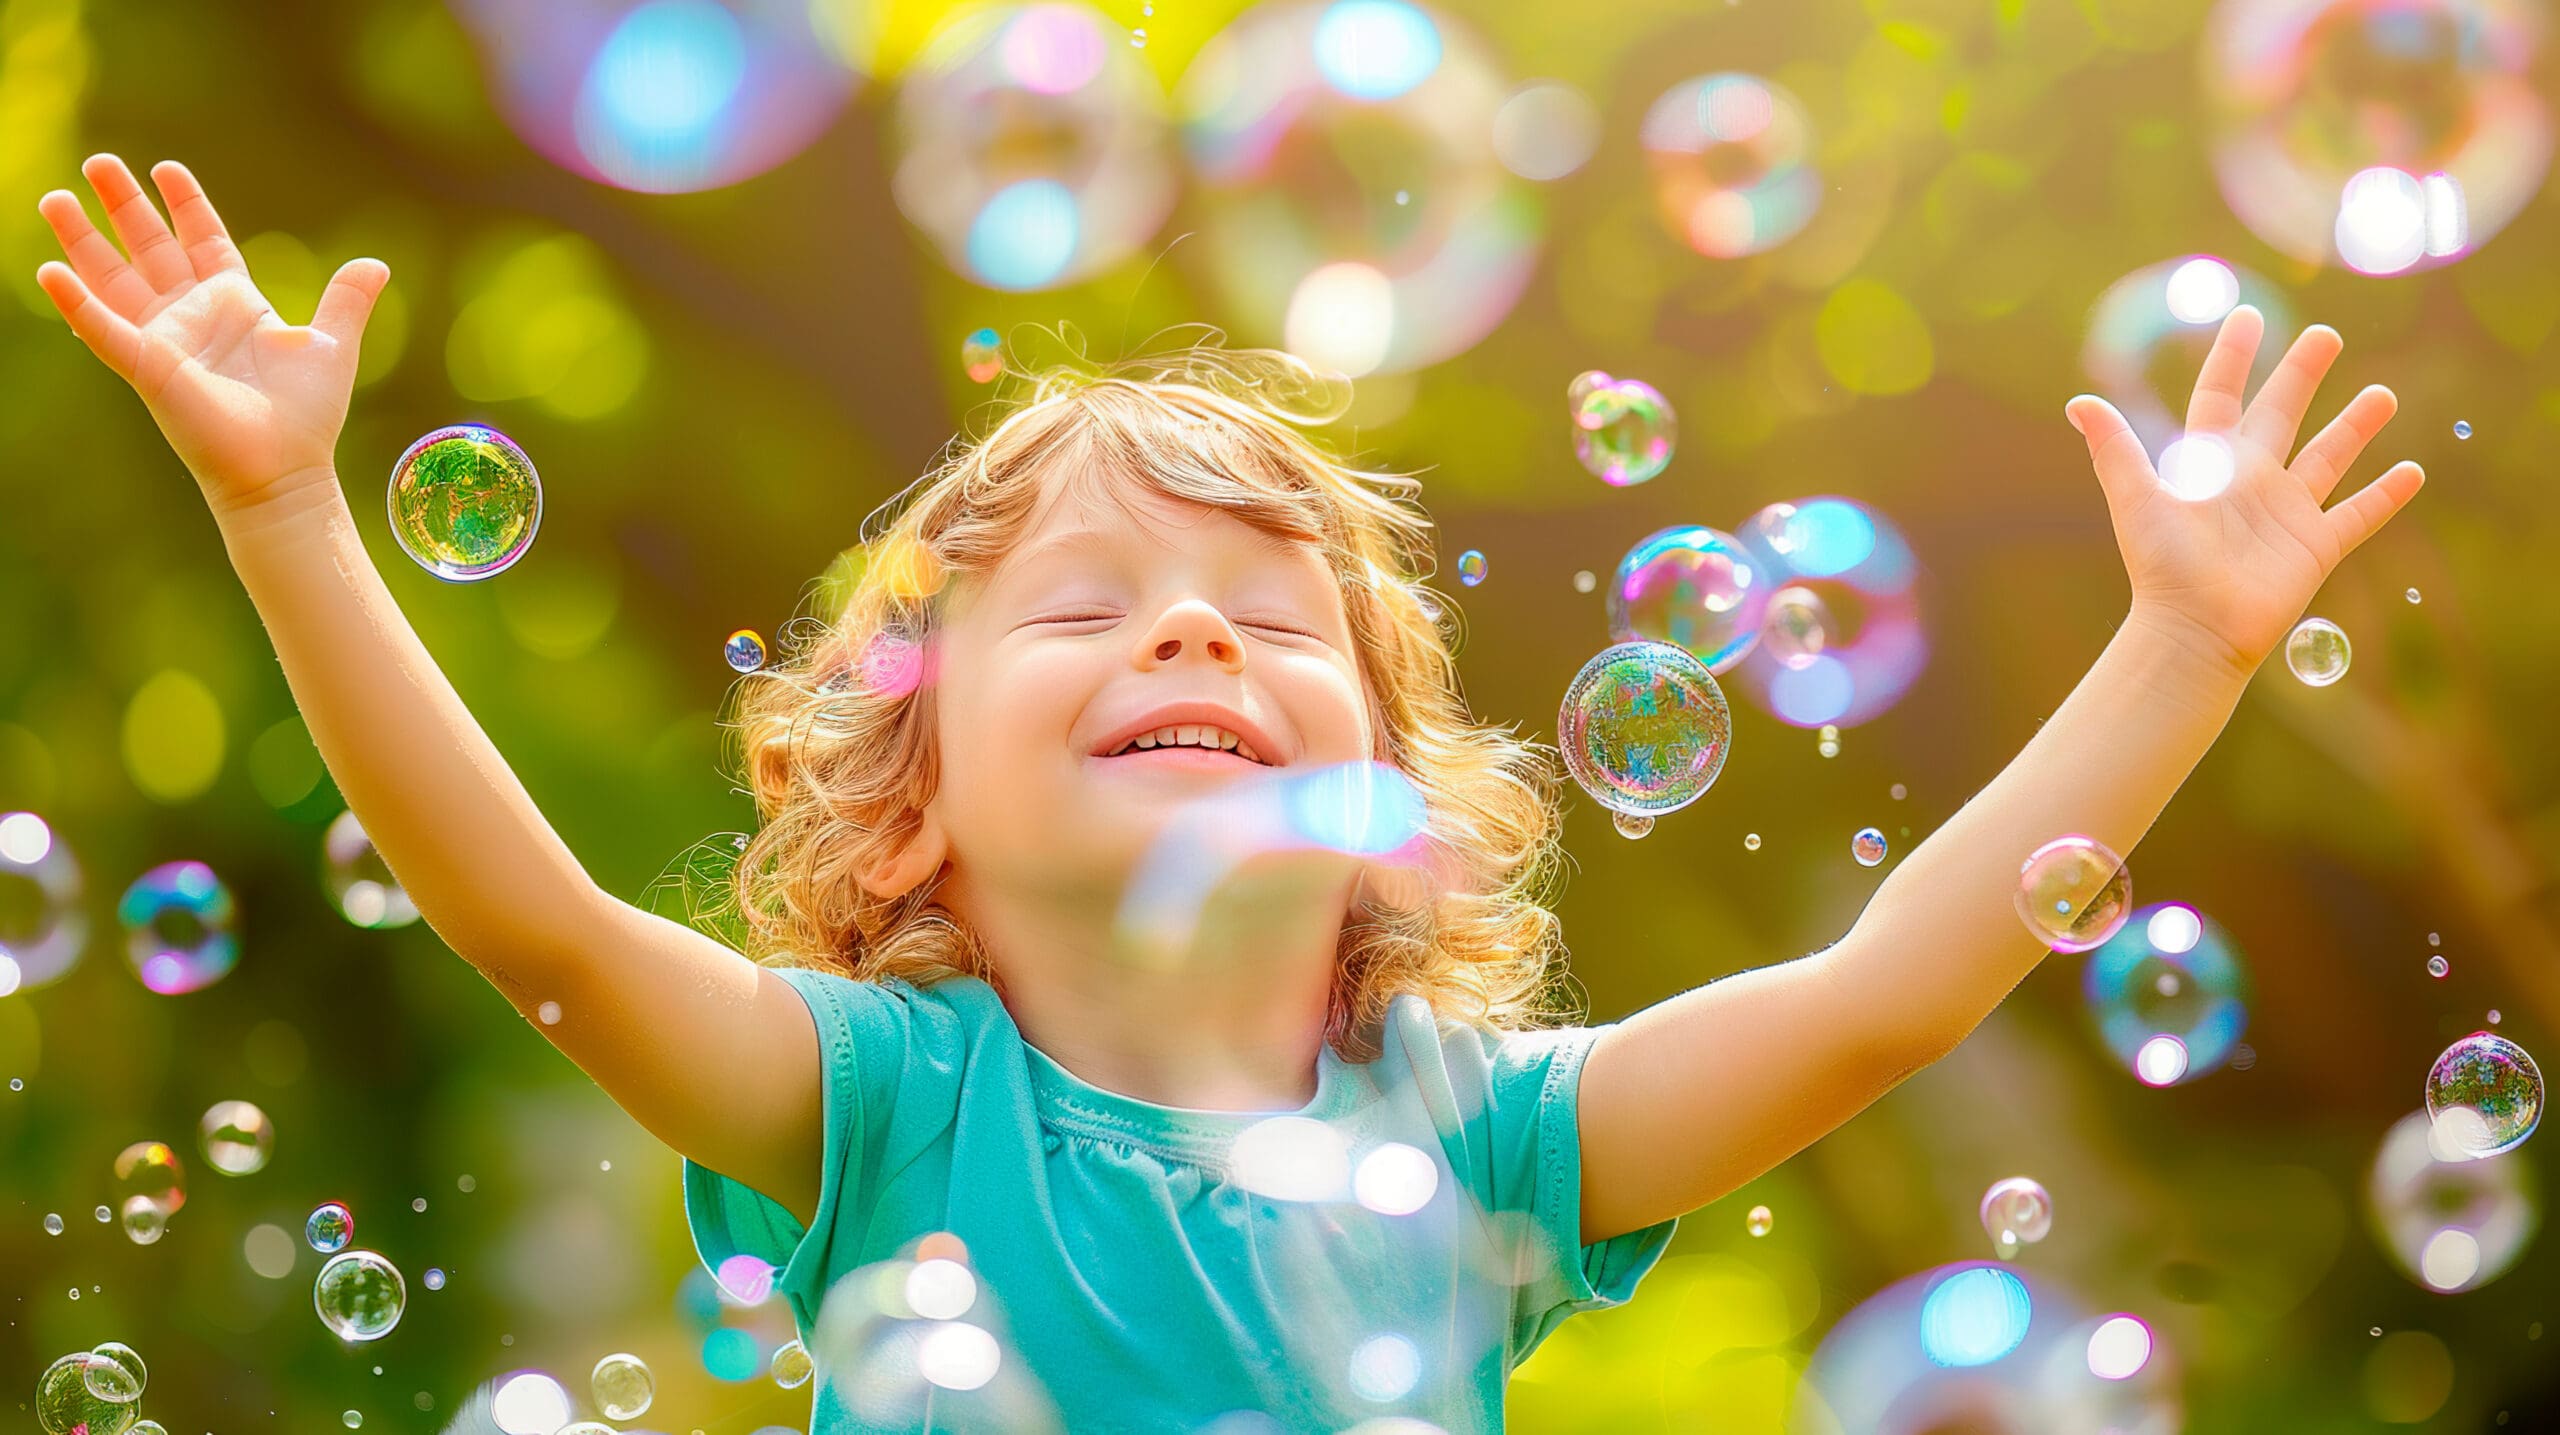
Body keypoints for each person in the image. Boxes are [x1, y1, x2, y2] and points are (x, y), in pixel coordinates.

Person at [36, 153, 2423, 1433]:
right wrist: (287, 514)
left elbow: (1887, 993)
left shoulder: (1478, 1132)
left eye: (1271, 622)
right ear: (908, 815)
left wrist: (2173, 643)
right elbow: (546, 933)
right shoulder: (892, 1102)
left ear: (1389, 794)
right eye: (1085, 611)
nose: (1189, 632)